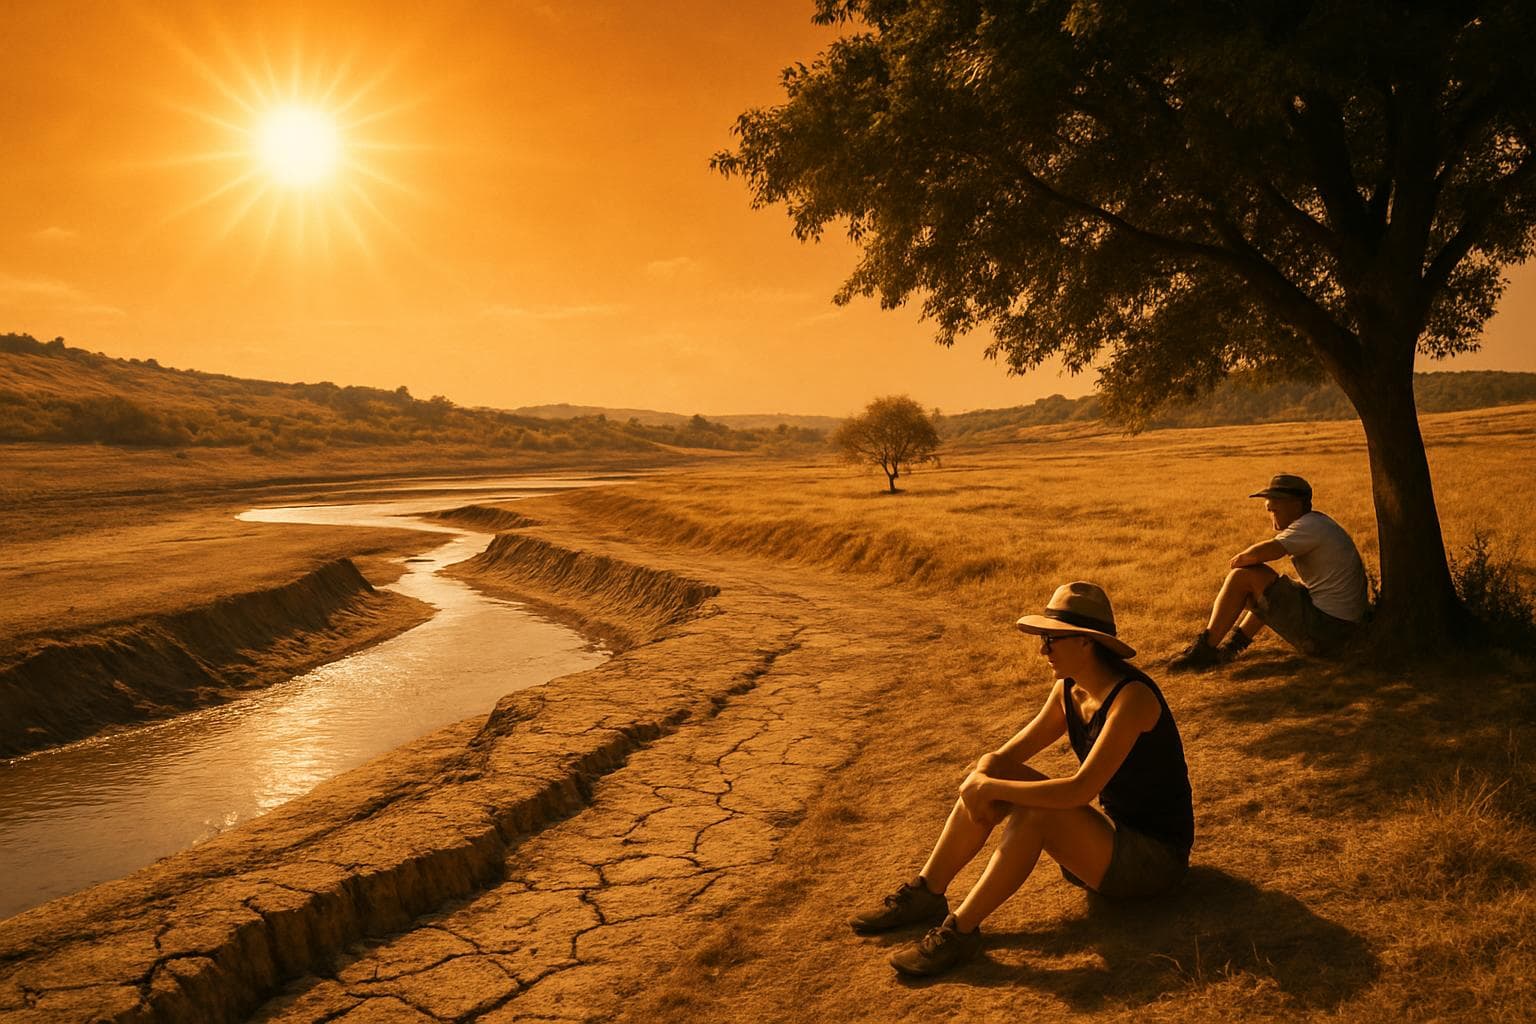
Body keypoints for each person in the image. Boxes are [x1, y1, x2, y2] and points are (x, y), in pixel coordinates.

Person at [849, 581, 1195, 977]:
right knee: (992, 769)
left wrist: (992, 788)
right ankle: (928, 891)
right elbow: (1005, 758)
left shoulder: (1132, 700)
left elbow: (1081, 789)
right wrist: (986, 771)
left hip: (1152, 862)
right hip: (1108, 839)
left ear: (1086, 643)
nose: (1042, 650)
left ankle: (960, 932)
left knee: (1035, 815)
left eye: (1051, 640)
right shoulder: (1069, 691)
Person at [1169, 473, 1368, 671]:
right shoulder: (1319, 523)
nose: (1268, 507)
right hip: (1340, 629)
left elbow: (1267, 551)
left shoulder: (1309, 526)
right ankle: (1233, 646)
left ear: (1296, 505)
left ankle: (1205, 650)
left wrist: (1242, 559)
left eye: (1275, 505)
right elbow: (1276, 593)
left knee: (1243, 577)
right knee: (1274, 590)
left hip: (1329, 631)